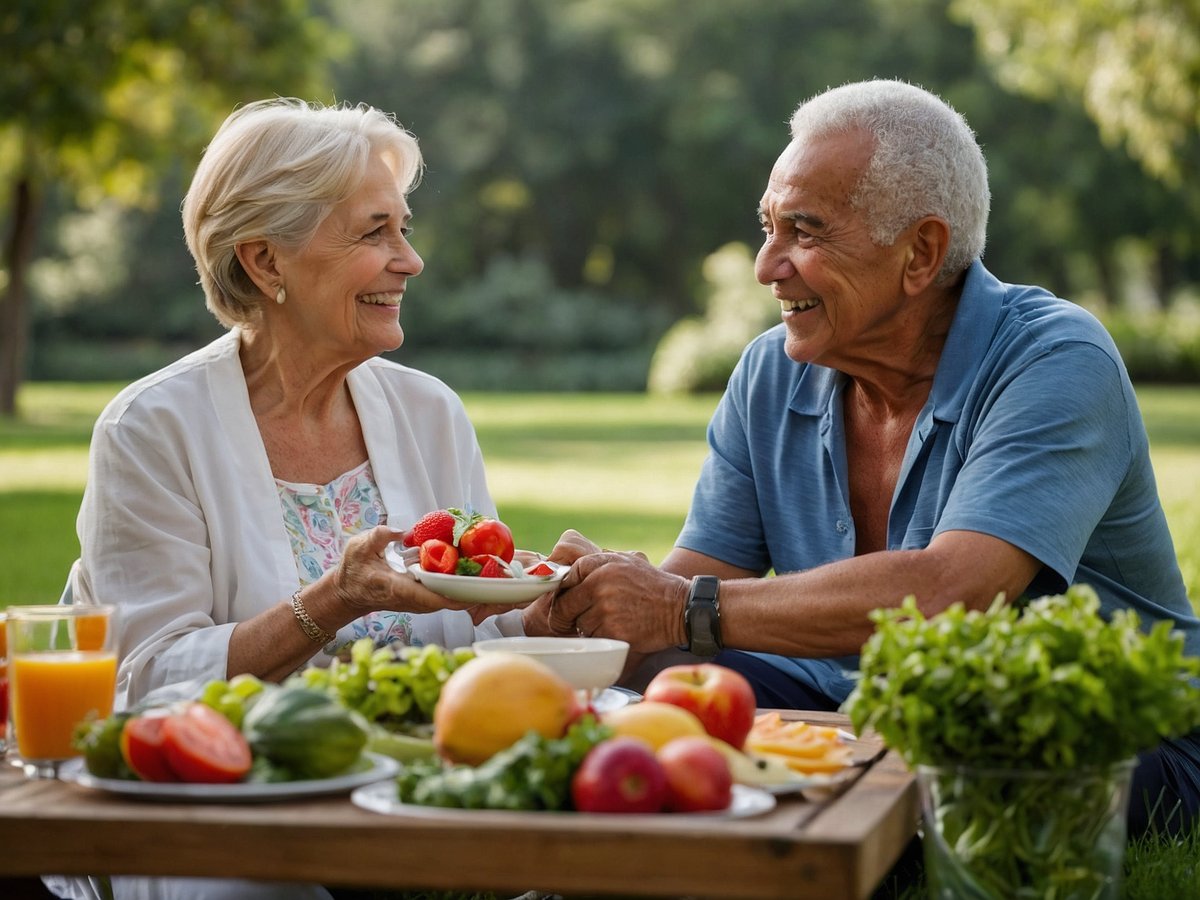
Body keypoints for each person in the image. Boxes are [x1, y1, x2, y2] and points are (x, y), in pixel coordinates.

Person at [530, 79, 1200, 835]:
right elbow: (685, 591)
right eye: (768, 226)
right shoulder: (770, 370)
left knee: (971, 751)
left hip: (1095, 731)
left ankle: (808, 849)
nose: (766, 265)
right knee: (671, 681)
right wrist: (590, 605)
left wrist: (679, 607)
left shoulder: (1054, 358)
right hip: (858, 706)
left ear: (922, 252)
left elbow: (955, 593)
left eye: (804, 232)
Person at [46, 98, 521, 900]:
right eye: (375, 233)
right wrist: (330, 600)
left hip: (413, 802)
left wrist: (546, 607)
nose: (410, 260)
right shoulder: (152, 428)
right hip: (223, 812)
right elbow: (147, 683)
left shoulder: (429, 410)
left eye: (404, 228)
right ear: (266, 262)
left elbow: (474, 627)